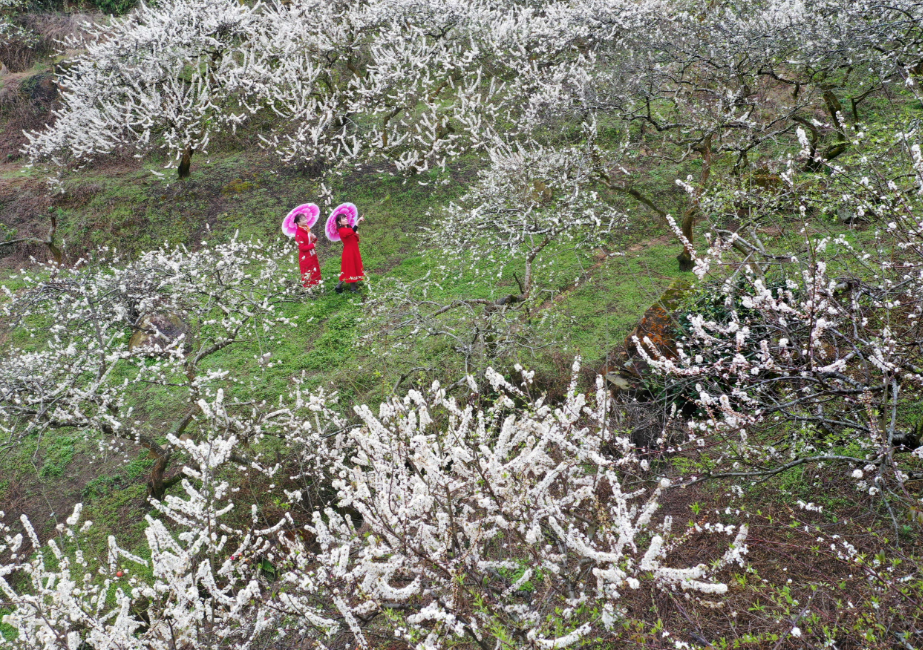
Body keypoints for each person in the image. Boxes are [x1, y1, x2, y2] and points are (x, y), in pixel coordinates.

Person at [335, 212, 365, 293]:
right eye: (343, 219)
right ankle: (349, 288)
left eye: (346, 218)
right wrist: (358, 222)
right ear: (339, 222)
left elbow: (354, 237)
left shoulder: (348, 228)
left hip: (354, 250)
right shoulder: (341, 230)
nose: (346, 219)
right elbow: (352, 231)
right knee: (349, 269)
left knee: (353, 268)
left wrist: (356, 235)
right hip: (349, 252)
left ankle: (343, 287)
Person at [294, 213, 321, 287]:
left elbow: (311, 241)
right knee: (308, 272)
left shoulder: (307, 229)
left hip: (312, 254)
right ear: (298, 223)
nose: (305, 221)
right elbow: (302, 248)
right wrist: (312, 245)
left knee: (315, 270)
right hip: (305, 256)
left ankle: (316, 286)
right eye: (302, 220)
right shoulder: (299, 233)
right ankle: (309, 289)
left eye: (305, 219)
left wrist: (314, 238)